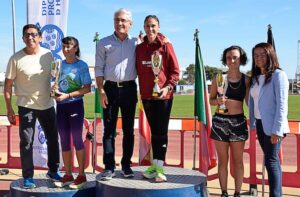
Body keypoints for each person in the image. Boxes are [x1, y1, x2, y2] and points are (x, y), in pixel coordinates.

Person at [4, 24, 61, 189]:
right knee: (27, 141)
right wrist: (9, 108)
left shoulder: (49, 55)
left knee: (52, 138)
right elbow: (8, 85)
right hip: (26, 106)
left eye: (34, 34)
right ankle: (28, 176)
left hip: (47, 104)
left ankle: (53, 169)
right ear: (23, 38)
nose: (30, 37)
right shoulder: (15, 58)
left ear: (40, 37)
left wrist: (56, 88)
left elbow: (55, 77)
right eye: (27, 35)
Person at [95, 8, 138, 180]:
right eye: (116, 20)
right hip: (109, 90)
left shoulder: (136, 42)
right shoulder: (103, 43)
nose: (120, 23)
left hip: (129, 89)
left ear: (130, 24)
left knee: (129, 130)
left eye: (123, 20)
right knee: (109, 131)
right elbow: (98, 69)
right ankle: (109, 167)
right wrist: (101, 91)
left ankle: (126, 165)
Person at [136, 15, 180, 182]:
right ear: (144, 27)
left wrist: (167, 87)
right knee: (155, 132)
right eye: (147, 26)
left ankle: (160, 168)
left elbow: (175, 72)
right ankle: (154, 166)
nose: (151, 29)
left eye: (153, 26)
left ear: (159, 27)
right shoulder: (139, 48)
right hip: (146, 97)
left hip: (163, 96)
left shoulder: (166, 45)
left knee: (161, 132)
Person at [249, 42, 289, 197]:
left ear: (270, 55)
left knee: (271, 161)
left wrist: (277, 130)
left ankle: (275, 195)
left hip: (273, 127)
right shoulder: (256, 77)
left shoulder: (279, 75)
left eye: (262, 54)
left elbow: (282, 105)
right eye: (256, 55)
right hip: (260, 124)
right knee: (271, 160)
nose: (258, 58)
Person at [209, 46, 249, 197]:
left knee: (238, 161)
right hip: (220, 122)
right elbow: (211, 100)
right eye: (228, 58)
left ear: (241, 59)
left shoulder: (246, 80)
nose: (231, 61)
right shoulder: (218, 78)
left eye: (235, 57)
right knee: (222, 161)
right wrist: (217, 101)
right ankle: (224, 192)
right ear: (225, 60)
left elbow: (250, 103)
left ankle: (237, 193)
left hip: (238, 123)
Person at [52, 36, 91, 189]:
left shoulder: (82, 66)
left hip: (75, 105)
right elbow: (54, 84)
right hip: (61, 107)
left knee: (77, 139)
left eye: (69, 46)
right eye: (64, 46)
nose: (65, 49)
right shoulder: (58, 65)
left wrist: (68, 95)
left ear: (75, 48)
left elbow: (87, 88)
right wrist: (54, 91)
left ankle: (81, 175)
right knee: (64, 140)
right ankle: (68, 174)